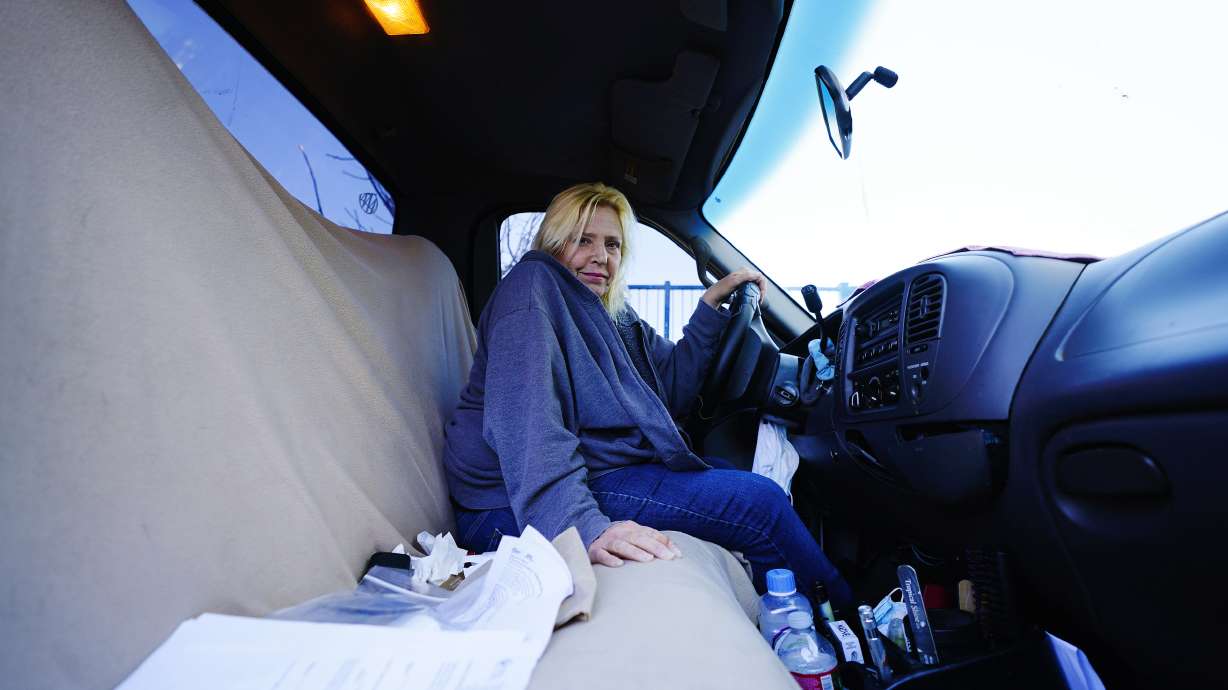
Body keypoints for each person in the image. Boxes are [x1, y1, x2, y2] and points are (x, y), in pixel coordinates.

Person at [443, 182, 852, 606]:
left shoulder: (610, 313)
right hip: (506, 503)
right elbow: (528, 430)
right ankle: (848, 629)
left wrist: (710, 308)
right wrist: (584, 527)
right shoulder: (530, 294)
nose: (601, 256)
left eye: (613, 245)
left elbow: (667, 388)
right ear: (554, 242)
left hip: (596, 467)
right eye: (584, 240)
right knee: (760, 504)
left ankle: (788, 614)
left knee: (729, 476)